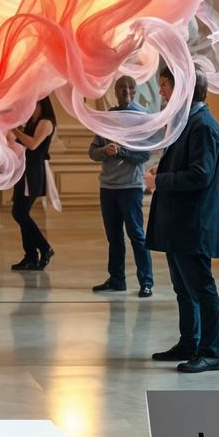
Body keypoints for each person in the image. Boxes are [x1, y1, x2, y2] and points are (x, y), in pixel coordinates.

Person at [145, 68, 219, 373]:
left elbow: (200, 175)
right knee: (183, 287)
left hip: (194, 221)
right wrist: (163, 173)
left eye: (165, 86)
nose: (162, 93)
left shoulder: (203, 125)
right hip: (180, 221)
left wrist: (159, 181)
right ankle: (189, 342)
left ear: (184, 89)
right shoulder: (188, 121)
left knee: (201, 287)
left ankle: (211, 352)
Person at [89, 75, 153, 296]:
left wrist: (121, 152)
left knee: (137, 235)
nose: (126, 91)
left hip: (130, 187)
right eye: (122, 87)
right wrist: (104, 151)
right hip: (108, 187)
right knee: (114, 237)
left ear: (135, 91)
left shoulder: (141, 118)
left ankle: (146, 282)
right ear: (114, 91)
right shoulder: (108, 118)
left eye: (130, 87)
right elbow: (92, 152)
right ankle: (117, 279)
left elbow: (145, 154)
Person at [8, 97, 56, 272]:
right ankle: (30, 256)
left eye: (34, 103)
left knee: (20, 213)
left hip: (32, 173)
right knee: (21, 212)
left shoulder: (46, 122)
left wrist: (15, 129)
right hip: (24, 171)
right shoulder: (32, 122)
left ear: (42, 104)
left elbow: (33, 144)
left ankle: (44, 248)